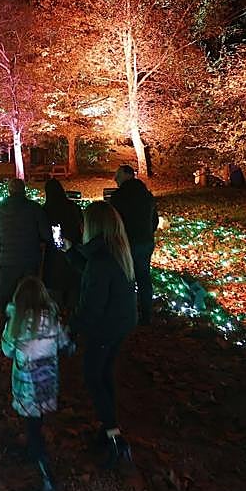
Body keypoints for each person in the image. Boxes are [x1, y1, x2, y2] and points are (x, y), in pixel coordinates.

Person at [64, 201, 137, 467]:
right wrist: (74, 256)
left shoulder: (101, 259)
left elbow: (91, 305)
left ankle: (115, 437)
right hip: (121, 324)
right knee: (104, 375)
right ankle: (108, 428)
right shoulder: (116, 251)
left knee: (94, 378)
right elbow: (96, 278)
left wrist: (71, 329)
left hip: (106, 328)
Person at [1, 275, 74, 491]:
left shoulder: (17, 322)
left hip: (27, 386)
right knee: (37, 420)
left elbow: (7, 350)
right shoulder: (52, 320)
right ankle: (33, 450)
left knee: (33, 429)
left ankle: (46, 475)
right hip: (47, 381)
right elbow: (63, 343)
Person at [109, 164, 158, 324]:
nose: (115, 178)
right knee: (144, 278)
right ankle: (146, 315)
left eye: (118, 174)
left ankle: (127, 313)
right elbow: (155, 220)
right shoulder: (146, 195)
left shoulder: (118, 197)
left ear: (126, 174)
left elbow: (113, 222)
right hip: (145, 242)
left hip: (127, 243)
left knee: (127, 278)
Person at [0, 177, 53, 308]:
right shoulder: (34, 208)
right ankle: (29, 321)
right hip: (29, 257)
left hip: (8, 259)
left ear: (9, 191)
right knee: (30, 294)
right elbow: (45, 233)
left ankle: (8, 323)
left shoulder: (1, 211)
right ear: (24, 191)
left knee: (7, 295)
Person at [42, 178, 84, 314]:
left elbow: (43, 232)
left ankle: (57, 315)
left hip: (54, 255)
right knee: (72, 285)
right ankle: (72, 314)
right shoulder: (73, 207)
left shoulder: (46, 210)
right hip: (73, 250)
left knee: (55, 289)